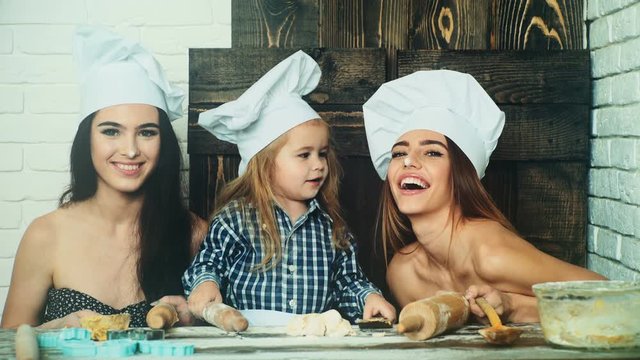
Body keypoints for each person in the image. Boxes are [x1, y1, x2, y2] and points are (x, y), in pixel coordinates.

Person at [1, 26, 207, 329]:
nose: (131, 150)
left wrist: (194, 319)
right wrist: (56, 329)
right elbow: (7, 345)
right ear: (88, 140)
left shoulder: (194, 234)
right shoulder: (45, 235)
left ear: (164, 143)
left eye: (147, 132)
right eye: (111, 131)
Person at [363, 70, 605, 323]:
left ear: (462, 174)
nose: (409, 161)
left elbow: (609, 296)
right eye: (399, 153)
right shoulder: (404, 275)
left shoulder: (490, 254)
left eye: (433, 153)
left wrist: (512, 305)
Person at [182, 51, 396, 323]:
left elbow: (347, 280)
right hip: (248, 341)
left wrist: (368, 297)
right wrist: (205, 282)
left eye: (322, 153)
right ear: (265, 164)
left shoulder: (331, 227)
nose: (319, 164)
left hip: (310, 344)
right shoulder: (235, 220)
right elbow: (208, 263)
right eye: (304, 155)